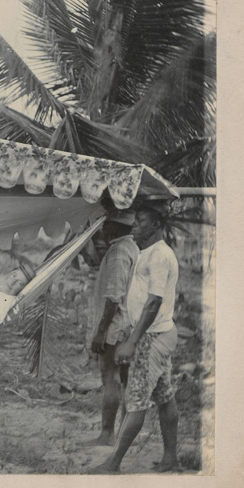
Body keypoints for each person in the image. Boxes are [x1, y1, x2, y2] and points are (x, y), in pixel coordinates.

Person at [93, 202, 181, 473]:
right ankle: (170, 458)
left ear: (156, 225)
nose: (134, 224)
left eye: (140, 220)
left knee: (137, 402)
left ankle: (113, 463)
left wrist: (132, 341)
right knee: (165, 397)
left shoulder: (158, 256)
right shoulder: (148, 252)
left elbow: (153, 302)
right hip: (156, 334)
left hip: (153, 338)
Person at [87, 210, 140, 445]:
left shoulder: (119, 252)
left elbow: (114, 296)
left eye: (106, 225)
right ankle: (121, 434)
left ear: (115, 227)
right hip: (127, 324)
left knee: (110, 377)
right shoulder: (131, 248)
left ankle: (107, 434)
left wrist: (101, 331)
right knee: (123, 379)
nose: (103, 231)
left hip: (115, 327)